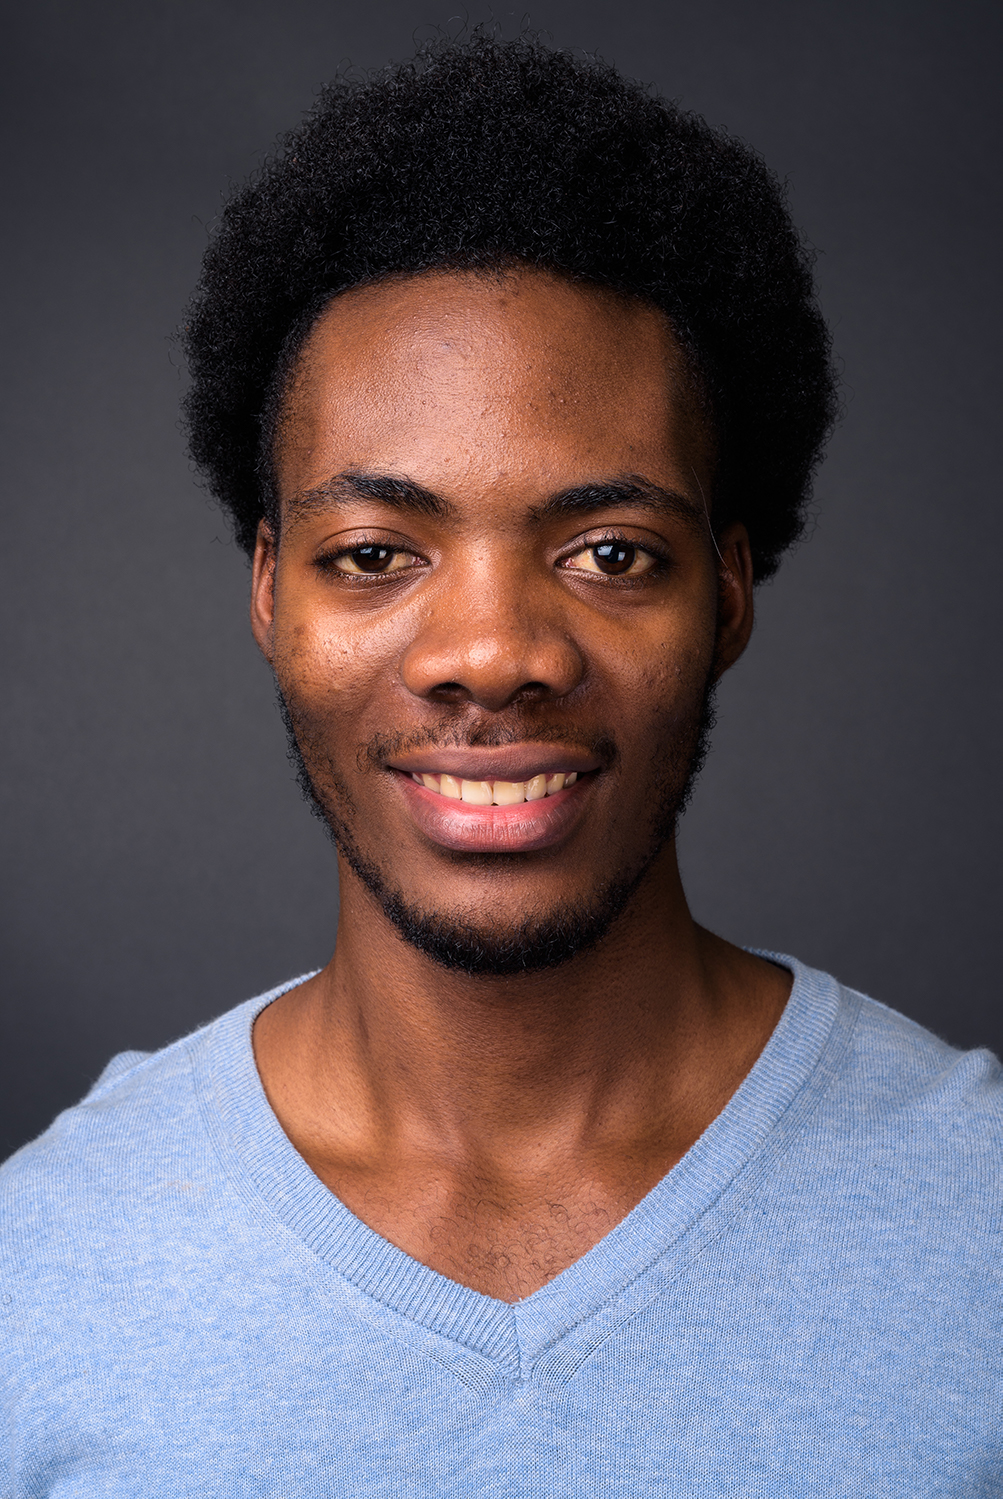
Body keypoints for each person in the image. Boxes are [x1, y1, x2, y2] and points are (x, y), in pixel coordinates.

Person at [2, 32, 999, 1497]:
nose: (490, 652)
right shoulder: (44, 1271)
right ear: (270, 593)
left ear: (727, 593)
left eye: (610, 552)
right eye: (374, 554)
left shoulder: (980, 1227)